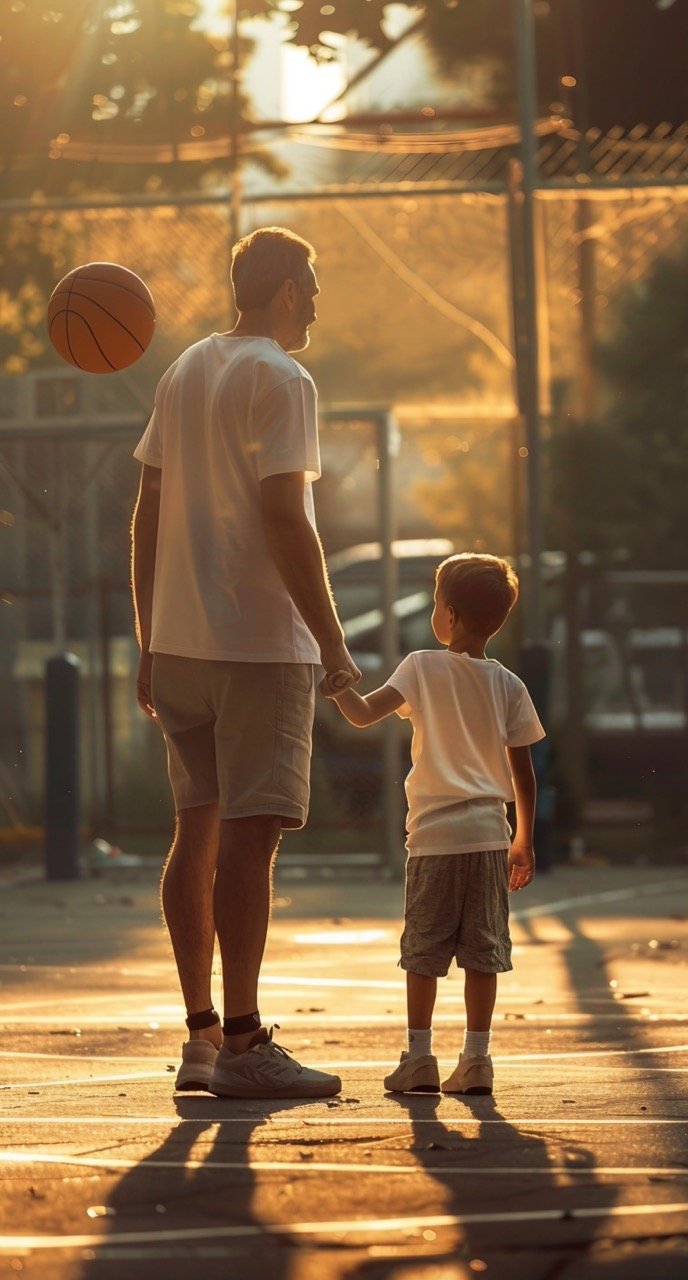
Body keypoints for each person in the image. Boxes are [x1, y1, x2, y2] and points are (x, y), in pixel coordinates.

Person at [131, 226, 360, 1099]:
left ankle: (198, 1038)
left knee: (197, 831)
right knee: (250, 845)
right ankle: (242, 1042)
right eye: (314, 284)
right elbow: (285, 519)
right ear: (291, 290)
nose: (317, 302)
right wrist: (333, 646)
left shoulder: (186, 367)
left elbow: (146, 506)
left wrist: (150, 636)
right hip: (255, 645)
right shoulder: (283, 377)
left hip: (182, 643)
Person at [322, 552, 545, 1095]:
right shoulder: (509, 685)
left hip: (434, 838)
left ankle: (419, 1058)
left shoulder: (421, 666)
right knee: (482, 952)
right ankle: (477, 1060)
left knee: (423, 951)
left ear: (446, 613)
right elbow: (525, 775)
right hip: (491, 836)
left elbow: (361, 714)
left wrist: (336, 684)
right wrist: (523, 840)